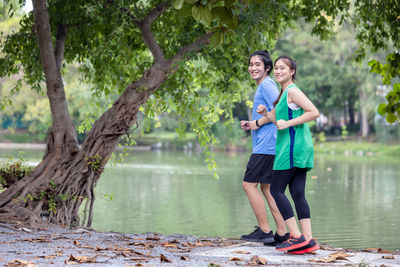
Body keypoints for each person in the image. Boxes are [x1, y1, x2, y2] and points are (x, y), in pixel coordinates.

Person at [257, 55, 320, 254]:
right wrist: (266, 114)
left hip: (292, 148)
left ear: (292, 71)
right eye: (276, 68)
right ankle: (308, 240)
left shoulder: (292, 91)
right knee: (298, 193)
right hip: (299, 147)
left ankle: (295, 236)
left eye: (282, 68)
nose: (278, 71)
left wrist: (289, 123)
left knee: (276, 190)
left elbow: (313, 112)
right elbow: (278, 117)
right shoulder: (284, 93)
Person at [239, 50, 289, 245]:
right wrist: (253, 123)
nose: (253, 68)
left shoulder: (267, 85)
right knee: (267, 189)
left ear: (267, 68)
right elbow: (270, 114)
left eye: (258, 64)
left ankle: (264, 230)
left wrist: (257, 124)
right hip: (267, 145)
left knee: (248, 184)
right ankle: (282, 233)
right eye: (251, 64)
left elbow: (280, 112)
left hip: (266, 146)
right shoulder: (264, 86)